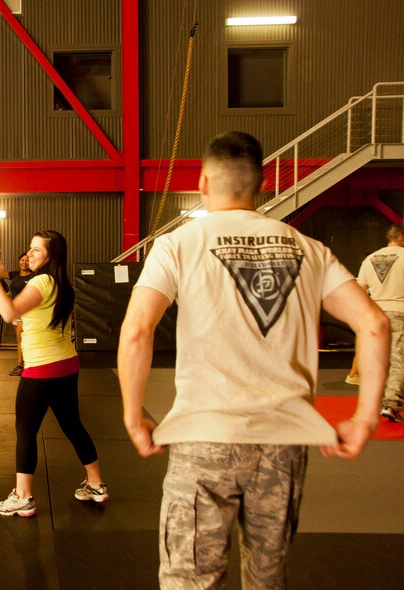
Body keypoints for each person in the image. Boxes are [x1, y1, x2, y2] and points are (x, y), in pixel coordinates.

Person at [117, 131, 389, 589]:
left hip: (204, 439)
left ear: (203, 183)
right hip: (283, 445)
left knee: (190, 581)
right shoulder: (310, 249)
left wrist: (132, 416)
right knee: (267, 579)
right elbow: (375, 325)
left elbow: (137, 331)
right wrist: (364, 418)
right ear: (261, 185)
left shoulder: (178, 245)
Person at [0, 231, 108, 517]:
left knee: (26, 430)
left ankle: (23, 496)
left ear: (52, 255)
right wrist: (3, 276)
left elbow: (8, 312)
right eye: (30, 248)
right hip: (66, 364)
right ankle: (96, 484)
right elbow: (23, 313)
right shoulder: (61, 283)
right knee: (72, 425)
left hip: (42, 368)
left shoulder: (42, 281)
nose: (30, 254)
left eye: (37, 250)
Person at [357, 224, 404, 421]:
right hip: (399, 312)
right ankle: (391, 404)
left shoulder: (370, 259)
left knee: (378, 361)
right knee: (398, 360)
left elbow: (359, 288)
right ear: (401, 237)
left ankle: (374, 403)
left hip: (376, 313)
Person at [8, 251, 33, 376]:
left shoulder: (34, 276)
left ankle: (20, 365)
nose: (24, 262)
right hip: (15, 311)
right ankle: (24, 364)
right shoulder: (14, 275)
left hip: (28, 312)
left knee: (21, 338)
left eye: (27, 260)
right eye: (22, 260)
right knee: (19, 339)